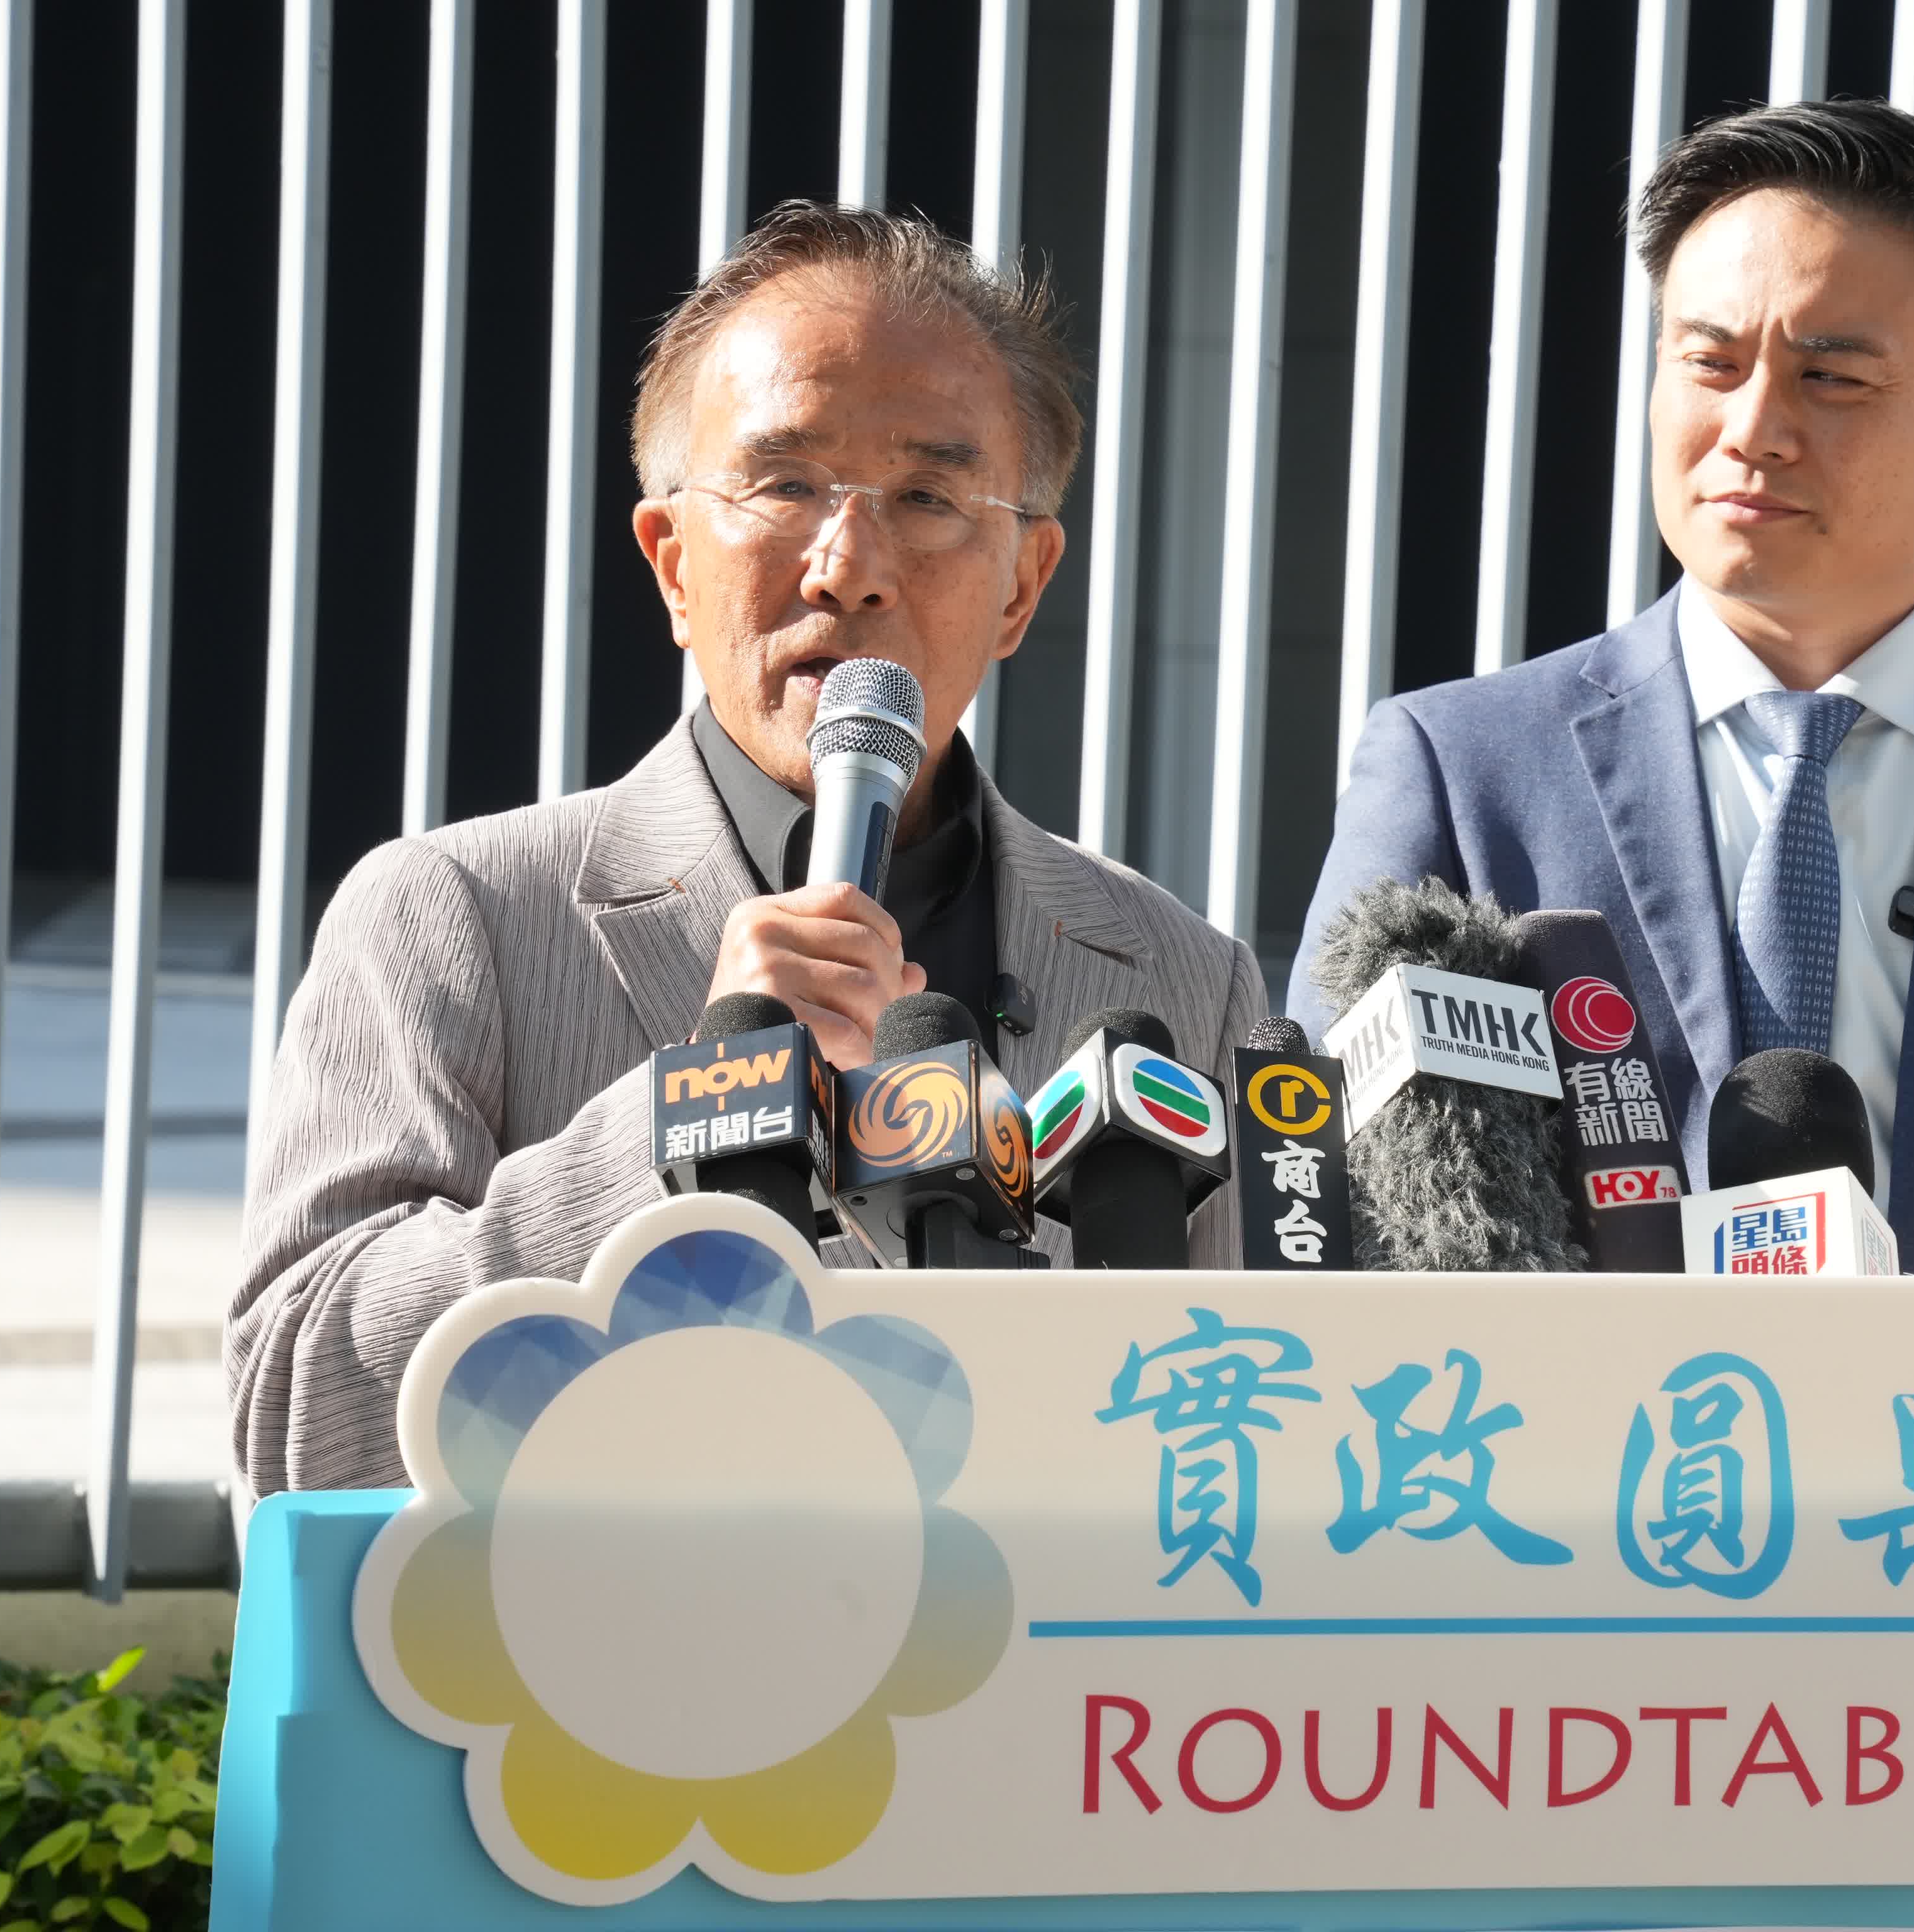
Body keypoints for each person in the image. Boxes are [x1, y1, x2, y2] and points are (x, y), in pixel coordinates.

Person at [1289, 103, 1914, 1470]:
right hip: (1563, 1547)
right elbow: (1333, 1227)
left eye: (1833, 378)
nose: (1752, 429)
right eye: (1708, 362)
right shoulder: (1459, 768)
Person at [233, 204, 1266, 1495]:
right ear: (672, 562)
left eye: (928, 497)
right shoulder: (453, 916)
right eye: (785, 486)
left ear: (1022, 585)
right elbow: (297, 1420)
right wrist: (679, 1126)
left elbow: (1256, 1450)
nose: (849, 567)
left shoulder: (1182, 978)